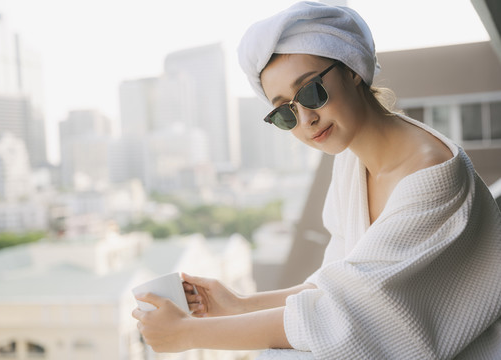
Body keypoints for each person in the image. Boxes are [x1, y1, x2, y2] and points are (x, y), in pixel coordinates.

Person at [132, 2, 501, 358]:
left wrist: (188, 334)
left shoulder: (431, 177)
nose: (306, 118)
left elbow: (344, 318)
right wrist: (238, 304)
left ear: (351, 67)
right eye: (285, 112)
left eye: (310, 91)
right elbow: (335, 286)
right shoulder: (351, 160)